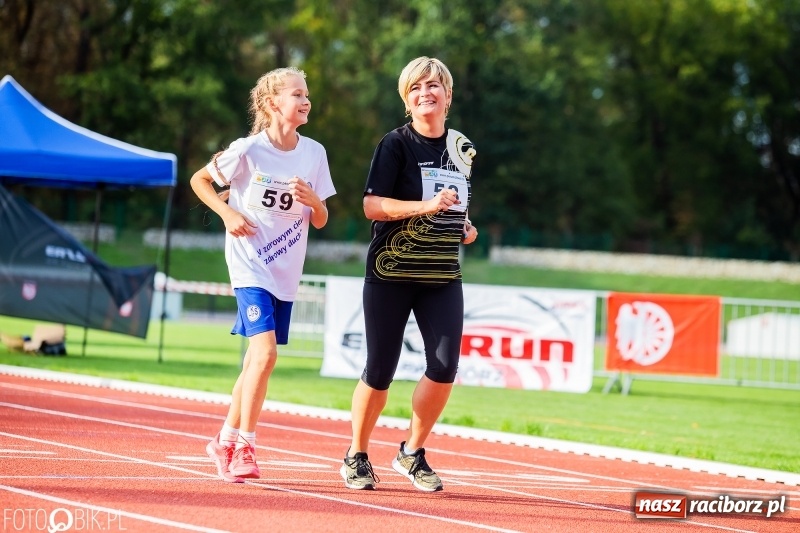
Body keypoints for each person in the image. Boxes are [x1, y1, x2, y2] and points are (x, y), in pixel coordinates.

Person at [191, 66, 335, 483]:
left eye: (307, 94)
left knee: (257, 360)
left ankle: (222, 439)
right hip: (250, 263)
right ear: (273, 103)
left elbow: (322, 219)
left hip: (286, 269)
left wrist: (313, 201)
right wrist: (227, 212)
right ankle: (245, 447)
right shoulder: (247, 149)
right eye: (296, 94)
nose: (305, 101)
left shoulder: (314, 154)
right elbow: (200, 180)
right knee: (266, 354)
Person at [341, 56, 478, 492]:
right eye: (416, 87)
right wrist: (427, 208)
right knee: (380, 368)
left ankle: (411, 452)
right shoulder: (394, 144)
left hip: (441, 274)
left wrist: (464, 225)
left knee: (444, 367)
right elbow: (371, 206)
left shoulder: (463, 147)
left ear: (448, 95)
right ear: (406, 99)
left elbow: (455, 202)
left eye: (434, 85)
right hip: (390, 271)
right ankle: (356, 455)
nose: (426, 93)